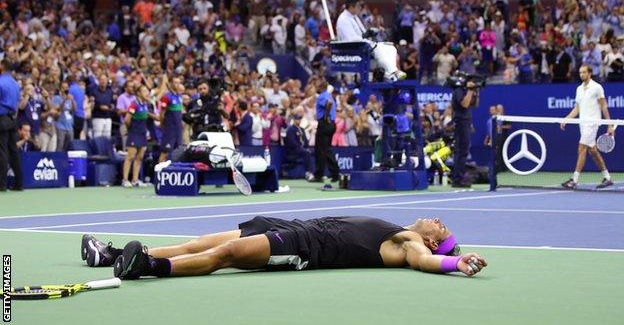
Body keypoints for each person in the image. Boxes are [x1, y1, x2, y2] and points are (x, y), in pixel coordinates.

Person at [80, 215, 487, 279]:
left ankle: (148, 267)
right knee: (202, 241)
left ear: (433, 238)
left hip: (306, 245)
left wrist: (455, 262)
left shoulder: (412, 242)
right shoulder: (403, 229)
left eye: (441, 226)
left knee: (224, 256)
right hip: (298, 227)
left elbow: (424, 262)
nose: (436, 220)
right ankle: (112, 256)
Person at [561, 65, 615, 189]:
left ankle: (574, 180)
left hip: (593, 123)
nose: (581, 75)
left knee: (581, 148)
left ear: (590, 73)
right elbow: (577, 108)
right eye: (580, 73)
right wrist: (566, 119)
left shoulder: (597, 87)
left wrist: (610, 125)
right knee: (593, 151)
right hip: (582, 124)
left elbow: (604, 107)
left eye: (584, 72)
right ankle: (607, 177)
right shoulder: (579, 89)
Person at [336, 0, 406, 81]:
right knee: (382, 49)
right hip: (354, 48)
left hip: (363, 44)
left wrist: (370, 32)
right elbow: (350, 39)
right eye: (358, 6)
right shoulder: (343, 19)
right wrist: (365, 36)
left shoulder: (354, 17)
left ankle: (391, 72)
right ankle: (392, 72)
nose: (360, 8)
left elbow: (362, 33)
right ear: (351, 7)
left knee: (390, 48)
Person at [122, 85, 154, 188]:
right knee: (130, 156)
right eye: (144, 91)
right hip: (134, 133)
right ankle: (125, 180)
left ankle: (135, 180)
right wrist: (130, 129)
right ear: (139, 93)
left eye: (147, 91)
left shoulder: (145, 104)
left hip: (142, 134)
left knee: (139, 157)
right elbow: (127, 120)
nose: (146, 93)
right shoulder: (133, 104)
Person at [0, 60, 23, 191]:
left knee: (2, 152)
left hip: (2, 119)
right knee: (13, 151)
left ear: (2, 67)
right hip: (12, 119)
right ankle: (19, 183)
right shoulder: (15, 84)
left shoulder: (0, 82)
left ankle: (1, 185)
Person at [451, 79, 478, 188]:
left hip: (465, 122)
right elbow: (465, 104)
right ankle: (458, 179)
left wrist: (476, 92)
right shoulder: (459, 90)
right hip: (461, 122)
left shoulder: (466, 91)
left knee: (464, 151)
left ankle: (459, 178)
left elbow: (474, 104)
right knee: (461, 151)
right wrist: (470, 91)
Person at [311, 82, 339, 182]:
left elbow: (329, 104)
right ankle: (335, 174)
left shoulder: (322, 96)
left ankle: (319, 175)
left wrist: (326, 116)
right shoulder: (331, 96)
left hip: (324, 123)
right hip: (331, 125)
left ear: (321, 87)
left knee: (320, 150)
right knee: (327, 150)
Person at [158, 76, 183, 163]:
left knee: (177, 152)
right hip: (169, 129)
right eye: (175, 82)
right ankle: (158, 173)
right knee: (165, 152)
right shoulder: (166, 97)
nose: (176, 84)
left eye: (178, 83)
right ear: (171, 83)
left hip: (178, 129)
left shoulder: (179, 97)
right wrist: (162, 124)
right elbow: (162, 113)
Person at [285, 113, 314, 180]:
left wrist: (307, 148)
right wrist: (303, 149)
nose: (299, 120)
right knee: (306, 152)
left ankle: (317, 172)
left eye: (300, 119)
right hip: (293, 151)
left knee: (313, 151)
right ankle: (308, 173)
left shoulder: (302, 129)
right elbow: (292, 143)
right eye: (297, 119)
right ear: (294, 120)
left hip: (301, 150)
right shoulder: (291, 129)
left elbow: (306, 141)